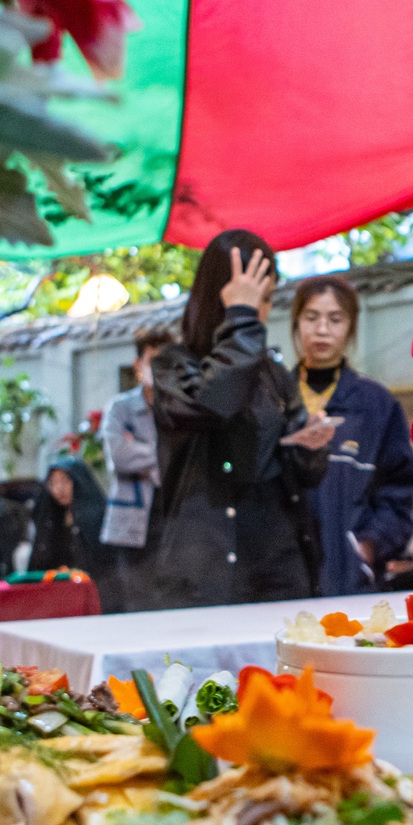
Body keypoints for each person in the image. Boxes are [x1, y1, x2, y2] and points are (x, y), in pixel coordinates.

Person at [149, 229, 335, 607]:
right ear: (219, 296)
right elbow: (211, 403)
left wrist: (311, 444)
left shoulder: (274, 373)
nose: (261, 312)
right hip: (205, 565)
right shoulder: (174, 365)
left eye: (265, 300)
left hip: (278, 562)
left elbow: (303, 474)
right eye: (251, 301)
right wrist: (241, 319)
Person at [290, 274, 413, 595]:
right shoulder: (275, 395)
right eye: (311, 317)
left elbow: (401, 490)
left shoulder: (376, 404)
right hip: (283, 574)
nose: (322, 329)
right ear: (296, 323)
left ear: (350, 328)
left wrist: (369, 546)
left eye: (335, 319)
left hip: (353, 580)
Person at [100, 324, 175, 610]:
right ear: (137, 364)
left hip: (172, 519)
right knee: (138, 604)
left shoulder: (180, 409)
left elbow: (183, 457)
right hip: (131, 524)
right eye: (152, 362)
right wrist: (162, 458)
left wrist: (143, 456)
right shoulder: (120, 408)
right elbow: (120, 456)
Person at [28, 456, 108, 579]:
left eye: (65, 481)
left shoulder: (96, 517)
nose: (59, 489)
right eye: (53, 483)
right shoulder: (50, 520)